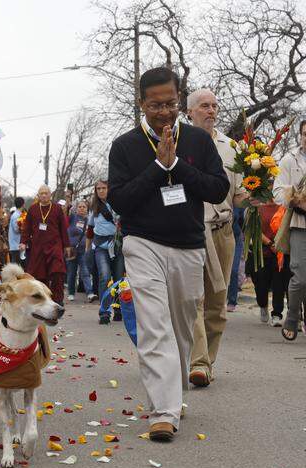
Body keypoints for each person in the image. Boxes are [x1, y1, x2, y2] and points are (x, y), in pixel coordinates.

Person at [108, 68, 229, 442]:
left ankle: (172, 393)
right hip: (142, 243)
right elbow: (119, 198)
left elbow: (217, 187)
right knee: (154, 325)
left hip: (189, 247)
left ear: (179, 100)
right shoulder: (125, 146)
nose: (164, 112)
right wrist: (158, 168)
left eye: (170, 104)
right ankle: (163, 411)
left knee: (179, 329)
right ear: (141, 103)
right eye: (155, 104)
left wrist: (178, 167)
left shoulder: (197, 141)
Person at [185, 89, 250, 388]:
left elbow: (237, 196)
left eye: (214, 106)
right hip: (189, 231)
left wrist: (255, 191)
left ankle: (207, 362)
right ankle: (197, 363)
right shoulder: (178, 142)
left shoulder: (231, 147)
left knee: (217, 304)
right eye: (204, 106)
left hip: (223, 232)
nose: (211, 111)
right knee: (193, 300)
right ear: (190, 111)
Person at [272, 119, 306, 340]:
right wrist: (295, 198)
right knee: (301, 276)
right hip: (299, 224)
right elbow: (277, 192)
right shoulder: (288, 160)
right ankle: (292, 317)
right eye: (305, 133)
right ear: (301, 135)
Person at [20, 185, 72, 305]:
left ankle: (58, 300)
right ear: (38, 195)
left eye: (46, 193)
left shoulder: (57, 208)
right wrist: (23, 242)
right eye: (41, 193)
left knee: (57, 272)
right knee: (39, 275)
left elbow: (63, 228)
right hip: (37, 247)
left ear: (50, 195)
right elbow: (26, 228)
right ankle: (43, 299)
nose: (44, 195)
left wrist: (67, 245)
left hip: (55, 246)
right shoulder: (32, 209)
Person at [246, 202, 290, 326]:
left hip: (279, 254)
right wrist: (270, 243)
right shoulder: (256, 208)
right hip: (260, 253)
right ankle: (263, 304)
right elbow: (254, 230)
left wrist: (278, 244)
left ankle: (277, 314)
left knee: (279, 285)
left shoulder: (283, 207)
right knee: (260, 285)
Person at [87, 179, 124, 323]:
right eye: (98, 188)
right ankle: (104, 312)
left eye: (104, 188)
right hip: (101, 247)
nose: (101, 191)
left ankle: (119, 309)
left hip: (118, 246)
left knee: (119, 279)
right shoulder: (94, 207)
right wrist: (87, 249)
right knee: (104, 276)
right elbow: (90, 230)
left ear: (109, 188)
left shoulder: (118, 203)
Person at [66, 200, 94, 302]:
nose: (82, 208)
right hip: (71, 249)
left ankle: (90, 293)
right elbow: (66, 211)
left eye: (84, 207)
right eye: (80, 207)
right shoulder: (72, 217)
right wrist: (68, 199)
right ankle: (71, 293)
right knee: (71, 273)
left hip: (84, 250)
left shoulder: (90, 220)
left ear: (87, 209)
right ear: (76, 209)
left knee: (85, 272)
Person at [227, 206, 245, 311]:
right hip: (219, 235)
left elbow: (242, 221)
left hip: (235, 237)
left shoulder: (237, 201)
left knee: (234, 270)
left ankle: (232, 300)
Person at [8, 197, 25, 265]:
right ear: (23, 204)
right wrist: (24, 229)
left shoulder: (19, 214)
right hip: (15, 245)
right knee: (16, 265)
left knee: (18, 264)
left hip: (17, 244)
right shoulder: (16, 216)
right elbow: (16, 229)